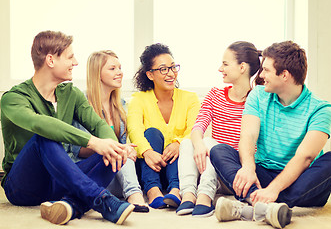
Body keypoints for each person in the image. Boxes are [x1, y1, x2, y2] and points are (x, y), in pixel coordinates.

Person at [0, 31, 135, 225]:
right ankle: (101, 200)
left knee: (114, 153)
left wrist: (112, 145)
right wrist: (93, 142)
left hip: (61, 179)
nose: (76, 62)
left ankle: (69, 206)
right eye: (70, 57)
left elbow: (97, 124)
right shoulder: (13, 98)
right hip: (22, 187)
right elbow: (40, 124)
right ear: (50, 60)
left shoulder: (70, 94)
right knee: (44, 137)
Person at [210, 41, 331, 228]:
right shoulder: (258, 95)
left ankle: (252, 206)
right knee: (219, 150)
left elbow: (305, 157)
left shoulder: (321, 109)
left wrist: (273, 190)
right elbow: (248, 135)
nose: (260, 75)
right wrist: (248, 167)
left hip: (302, 182)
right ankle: (267, 208)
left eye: (266, 70)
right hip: (263, 174)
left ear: (284, 75)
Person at [176, 41, 262, 217]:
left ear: (242, 67)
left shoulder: (258, 100)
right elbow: (198, 126)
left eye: (225, 64)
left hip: (236, 174)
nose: (220, 69)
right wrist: (199, 144)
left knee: (210, 143)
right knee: (188, 143)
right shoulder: (215, 95)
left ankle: (205, 198)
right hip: (212, 172)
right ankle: (188, 195)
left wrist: (205, 144)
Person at [64, 50, 149, 212]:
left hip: (113, 174)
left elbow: (122, 155)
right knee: (120, 150)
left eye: (120, 68)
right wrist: (113, 148)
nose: (120, 72)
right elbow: (77, 150)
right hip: (89, 174)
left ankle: (134, 194)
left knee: (126, 152)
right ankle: (134, 195)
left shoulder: (121, 105)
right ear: (98, 73)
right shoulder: (82, 104)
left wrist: (121, 149)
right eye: (112, 69)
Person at [127, 43, 200, 209]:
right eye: (163, 69)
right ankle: (153, 190)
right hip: (150, 167)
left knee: (184, 143)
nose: (171, 73)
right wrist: (147, 152)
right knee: (152, 133)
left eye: (173, 67)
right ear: (150, 75)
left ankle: (176, 190)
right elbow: (134, 130)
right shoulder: (138, 99)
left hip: (179, 168)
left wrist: (178, 143)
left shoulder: (190, 98)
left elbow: (196, 129)